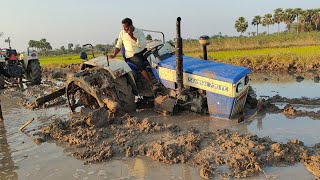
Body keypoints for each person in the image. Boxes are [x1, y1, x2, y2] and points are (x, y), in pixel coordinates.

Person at [109, 18, 155, 89]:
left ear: (131, 26)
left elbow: (143, 44)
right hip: (132, 55)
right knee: (140, 64)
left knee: (155, 58)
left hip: (143, 51)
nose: (124, 29)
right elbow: (118, 46)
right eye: (123, 27)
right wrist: (114, 55)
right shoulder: (122, 33)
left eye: (126, 27)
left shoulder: (139, 32)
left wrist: (132, 37)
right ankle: (151, 84)